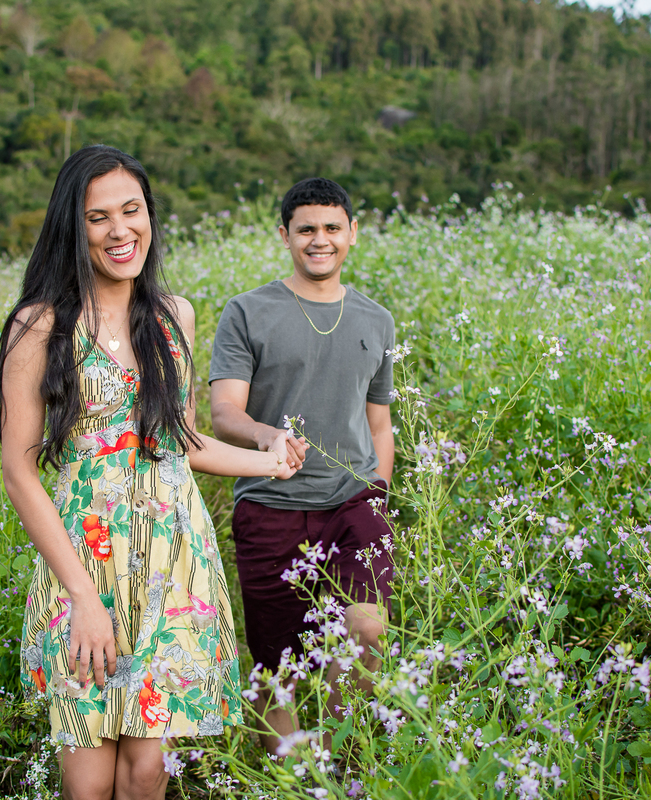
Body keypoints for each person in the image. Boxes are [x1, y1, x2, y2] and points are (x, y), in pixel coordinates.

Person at [0, 145, 297, 800]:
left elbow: (177, 439)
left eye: (132, 211)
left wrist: (268, 463)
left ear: (150, 217)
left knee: (148, 771)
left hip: (171, 564)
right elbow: (19, 472)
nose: (119, 230)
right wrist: (80, 596)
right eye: (98, 217)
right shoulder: (40, 325)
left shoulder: (171, 316)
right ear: (74, 228)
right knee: (90, 778)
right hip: (86, 563)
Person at [208, 177, 395, 756]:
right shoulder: (247, 312)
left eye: (332, 228)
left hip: (352, 504)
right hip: (271, 505)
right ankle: (297, 780)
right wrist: (267, 436)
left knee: (367, 632)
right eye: (307, 229)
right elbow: (222, 413)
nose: (321, 240)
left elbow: (380, 424)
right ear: (284, 235)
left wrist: (378, 494)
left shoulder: (376, 320)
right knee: (275, 673)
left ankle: (341, 761)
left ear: (353, 234)